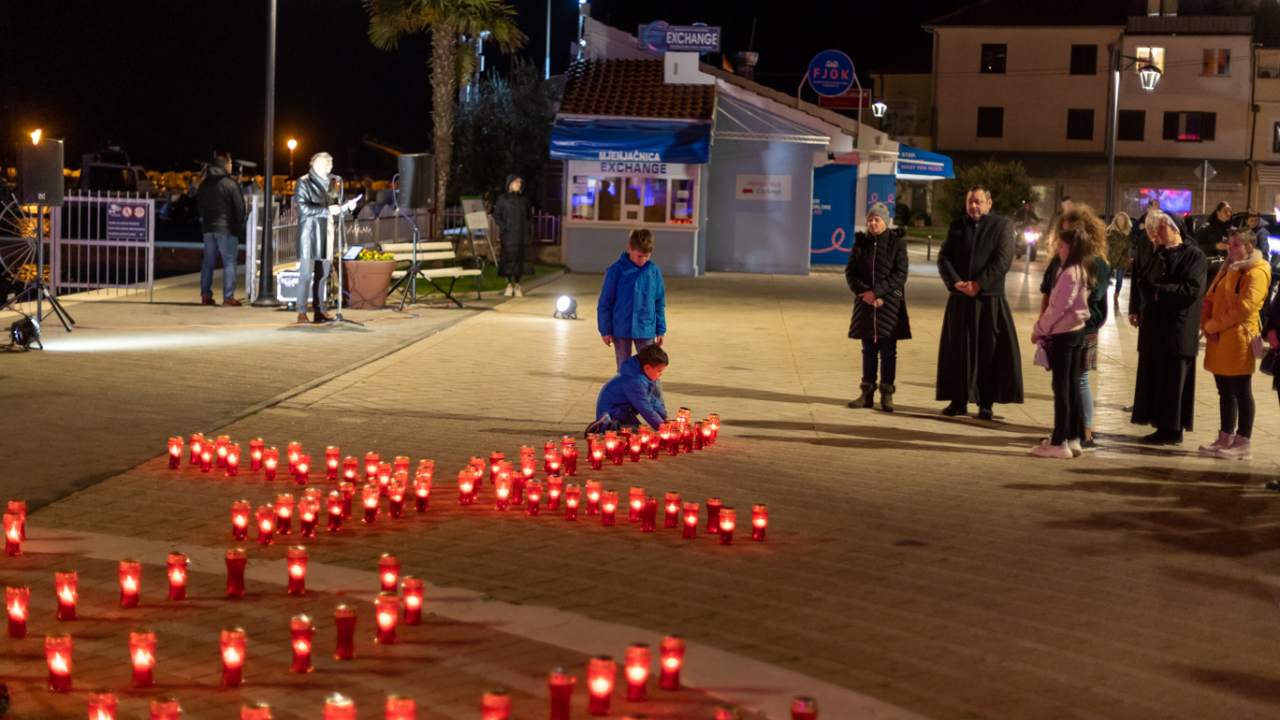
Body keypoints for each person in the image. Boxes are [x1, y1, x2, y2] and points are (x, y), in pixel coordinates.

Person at [936, 186, 1024, 420]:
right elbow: (943, 258)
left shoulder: (1002, 226)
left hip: (989, 300)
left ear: (989, 203)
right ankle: (958, 400)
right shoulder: (957, 226)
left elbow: (1003, 259)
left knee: (988, 352)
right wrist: (955, 282)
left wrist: (979, 284)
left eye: (978, 202)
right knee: (958, 352)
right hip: (960, 300)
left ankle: (986, 403)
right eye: (970, 202)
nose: (974, 206)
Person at [1129, 211, 1208, 444]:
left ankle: (1173, 430)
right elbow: (1143, 281)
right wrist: (1152, 294)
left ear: (1174, 228)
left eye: (1161, 228)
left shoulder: (1195, 255)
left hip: (1178, 330)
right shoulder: (1160, 254)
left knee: (1174, 382)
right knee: (1157, 379)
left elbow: (1191, 290)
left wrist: (1157, 292)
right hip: (1156, 330)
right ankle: (1161, 427)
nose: (1157, 233)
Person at [1040, 205, 1110, 450]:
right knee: (1065, 381)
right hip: (1058, 328)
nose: (1065, 238)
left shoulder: (1095, 263)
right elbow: (1047, 292)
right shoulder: (1057, 261)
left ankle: (1083, 433)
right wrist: (1044, 325)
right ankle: (1070, 433)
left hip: (1083, 328)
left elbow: (1092, 298)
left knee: (1078, 379)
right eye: (1063, 232)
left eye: (1070, 233)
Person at [1199, 228, 1270, 460]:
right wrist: (1206, 323)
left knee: (1241, 391)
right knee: (1225, 391)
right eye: (1229, 244)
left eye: (1236, 245)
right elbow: (1209, 298)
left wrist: (1212, 326)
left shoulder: (1256, 271)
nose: (1230, 249)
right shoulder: (1227, 268)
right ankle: (1225, 436)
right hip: (1220, 337)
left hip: (1239, 339)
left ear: (1249, 248)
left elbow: (1245, 308)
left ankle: (1243, 442)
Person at [1030, 226, 1096, 458]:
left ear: (1073, 248)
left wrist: (1039, 330)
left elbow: (1057, 307)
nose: (1059, 249)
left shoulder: (1070, 273)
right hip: (1075, 332)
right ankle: (1073, 438)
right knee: (1071, 386)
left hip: (1064, 334)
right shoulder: (1080, 269)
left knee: (1062, 389)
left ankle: (1059, 443)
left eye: (1062, 245)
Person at [845, 203, 911, 412]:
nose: (873, 223)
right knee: (868, 351)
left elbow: (900, 274)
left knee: (888, 351)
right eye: (870, 220)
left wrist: (877, 293)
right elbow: (850, 273)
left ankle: (886, 394)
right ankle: (866, 394)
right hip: (866, 306)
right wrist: (866, 294)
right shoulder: (861, 244)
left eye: (877, 219)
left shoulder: (896, 244)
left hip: (889, 307)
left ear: (885, 222)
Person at [294, 152, 350, 324]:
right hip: (309, 234)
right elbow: (304, 208)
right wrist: (327, 210)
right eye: (327, 165)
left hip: (326, 233)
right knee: (306, 274)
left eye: (331, 165)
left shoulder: (331, 183)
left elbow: (335, 204)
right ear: (316, 165)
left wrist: (347, 207)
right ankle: (301, 311)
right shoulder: (303, 182)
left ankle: (320, 311)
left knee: (323, 274)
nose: (330, 169)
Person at [599, 228, 666, 370]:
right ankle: (625, 386)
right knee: (624, 369)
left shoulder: (654, 271)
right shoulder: (616, 270)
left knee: (650, 368)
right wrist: (605, 330)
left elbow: (659, 303)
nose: (643, 260)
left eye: (646, 256)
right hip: (621, 329)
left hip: (646, 329)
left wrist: (660, 329)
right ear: (629, 249)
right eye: (639, 256)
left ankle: (650, 387)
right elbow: (605, 303)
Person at [196, 155, 246, 306]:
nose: (231, 165)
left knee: (208, 262)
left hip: (208, 229)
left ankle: (206, 295)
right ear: (225, 165)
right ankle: (228, 297)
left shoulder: (204, 184)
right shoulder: (230, 183)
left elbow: (199, 207)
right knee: (229, 263)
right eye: (230, 163)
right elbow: (240, 208)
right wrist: (237, 225)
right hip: (227, 229)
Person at [590, 343, 669, 432]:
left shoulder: (642, 375)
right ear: (647, 368)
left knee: (640, 430)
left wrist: (665, 418)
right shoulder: (636, 381)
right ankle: (606, 425)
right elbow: (645, 408)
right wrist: (662, 427)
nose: (661, 374)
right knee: (638, 434)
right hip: (610, 412)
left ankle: (617, 424)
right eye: (659, 371)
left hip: (622, 410)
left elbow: (650, 399)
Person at [493, 174, 533, 297]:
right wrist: (505, 227)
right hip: (508, 237)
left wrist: (526, 226)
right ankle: (508, 285)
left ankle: (517, 285)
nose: (519, 184)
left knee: (519, 260)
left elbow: (530, 217)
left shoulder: (524, 200)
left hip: (522, 236)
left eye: (520, 182)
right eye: (516, 182)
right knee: (508, 261)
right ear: (510, 184)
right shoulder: (503, 199)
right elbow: (497, 216)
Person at [1105, 212, 1132, 304]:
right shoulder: (1111, 231)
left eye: (1122, 219)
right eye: (1118, 219)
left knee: (1119, 278)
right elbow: (1107, 241)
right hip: (1112, 257)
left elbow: (1131, 244)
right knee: (1106, 277)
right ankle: (1103, 293)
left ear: (1125, 221)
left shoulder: (1129, 232)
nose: (1120, 222)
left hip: (1123, 259)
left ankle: (1116, 294)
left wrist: (1122, 244)